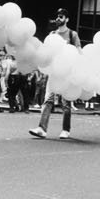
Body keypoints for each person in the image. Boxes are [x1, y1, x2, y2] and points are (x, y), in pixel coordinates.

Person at [30, 8, 81, 139]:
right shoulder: (52, 34)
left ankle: (66, 129)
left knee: (66, 103)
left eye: (62, 16)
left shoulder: (72, 34)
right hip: (53, 72)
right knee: (48, 100)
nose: (59, 18)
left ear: (67, 19)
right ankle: (42, 128)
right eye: (58, 16)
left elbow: (78, 51)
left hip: (67, 73)